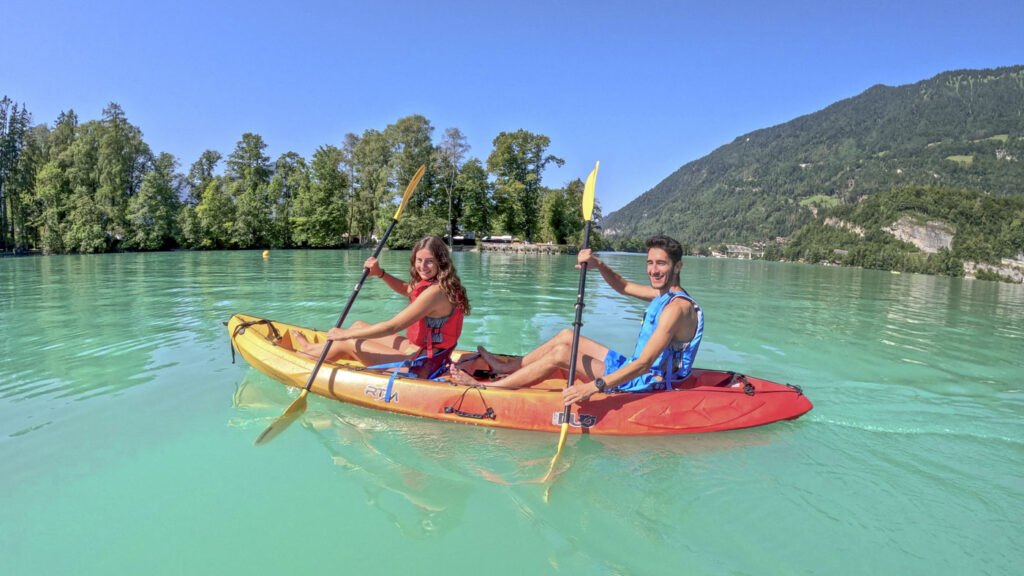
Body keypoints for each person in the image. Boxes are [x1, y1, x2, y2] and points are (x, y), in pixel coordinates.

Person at [451, 235, 702, 406]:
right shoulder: (664, 296)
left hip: (649, 382)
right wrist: (599, 264)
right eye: (650, 262)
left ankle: (491, 389)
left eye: (661, 264)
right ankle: (504, 369)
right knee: (566, 337)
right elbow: (623, 286)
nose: (653, 270)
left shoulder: (676, 309)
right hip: (637, 368)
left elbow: (644, 365)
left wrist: (593, 387)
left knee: (563, 354)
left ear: (677, 266)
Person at [292, 235, 471, 377]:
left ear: (441, 261)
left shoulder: (436, 292)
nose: (422, 266)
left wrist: (344, 334)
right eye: (418, 260)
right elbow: (409, 290)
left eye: (429, 261)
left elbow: (391, 326)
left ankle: (305, 357)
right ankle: (311, 350)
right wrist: (380, 273)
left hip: (423, 367)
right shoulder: (443, 283)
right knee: (359, 326)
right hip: (426, 354)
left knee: (349, 341)